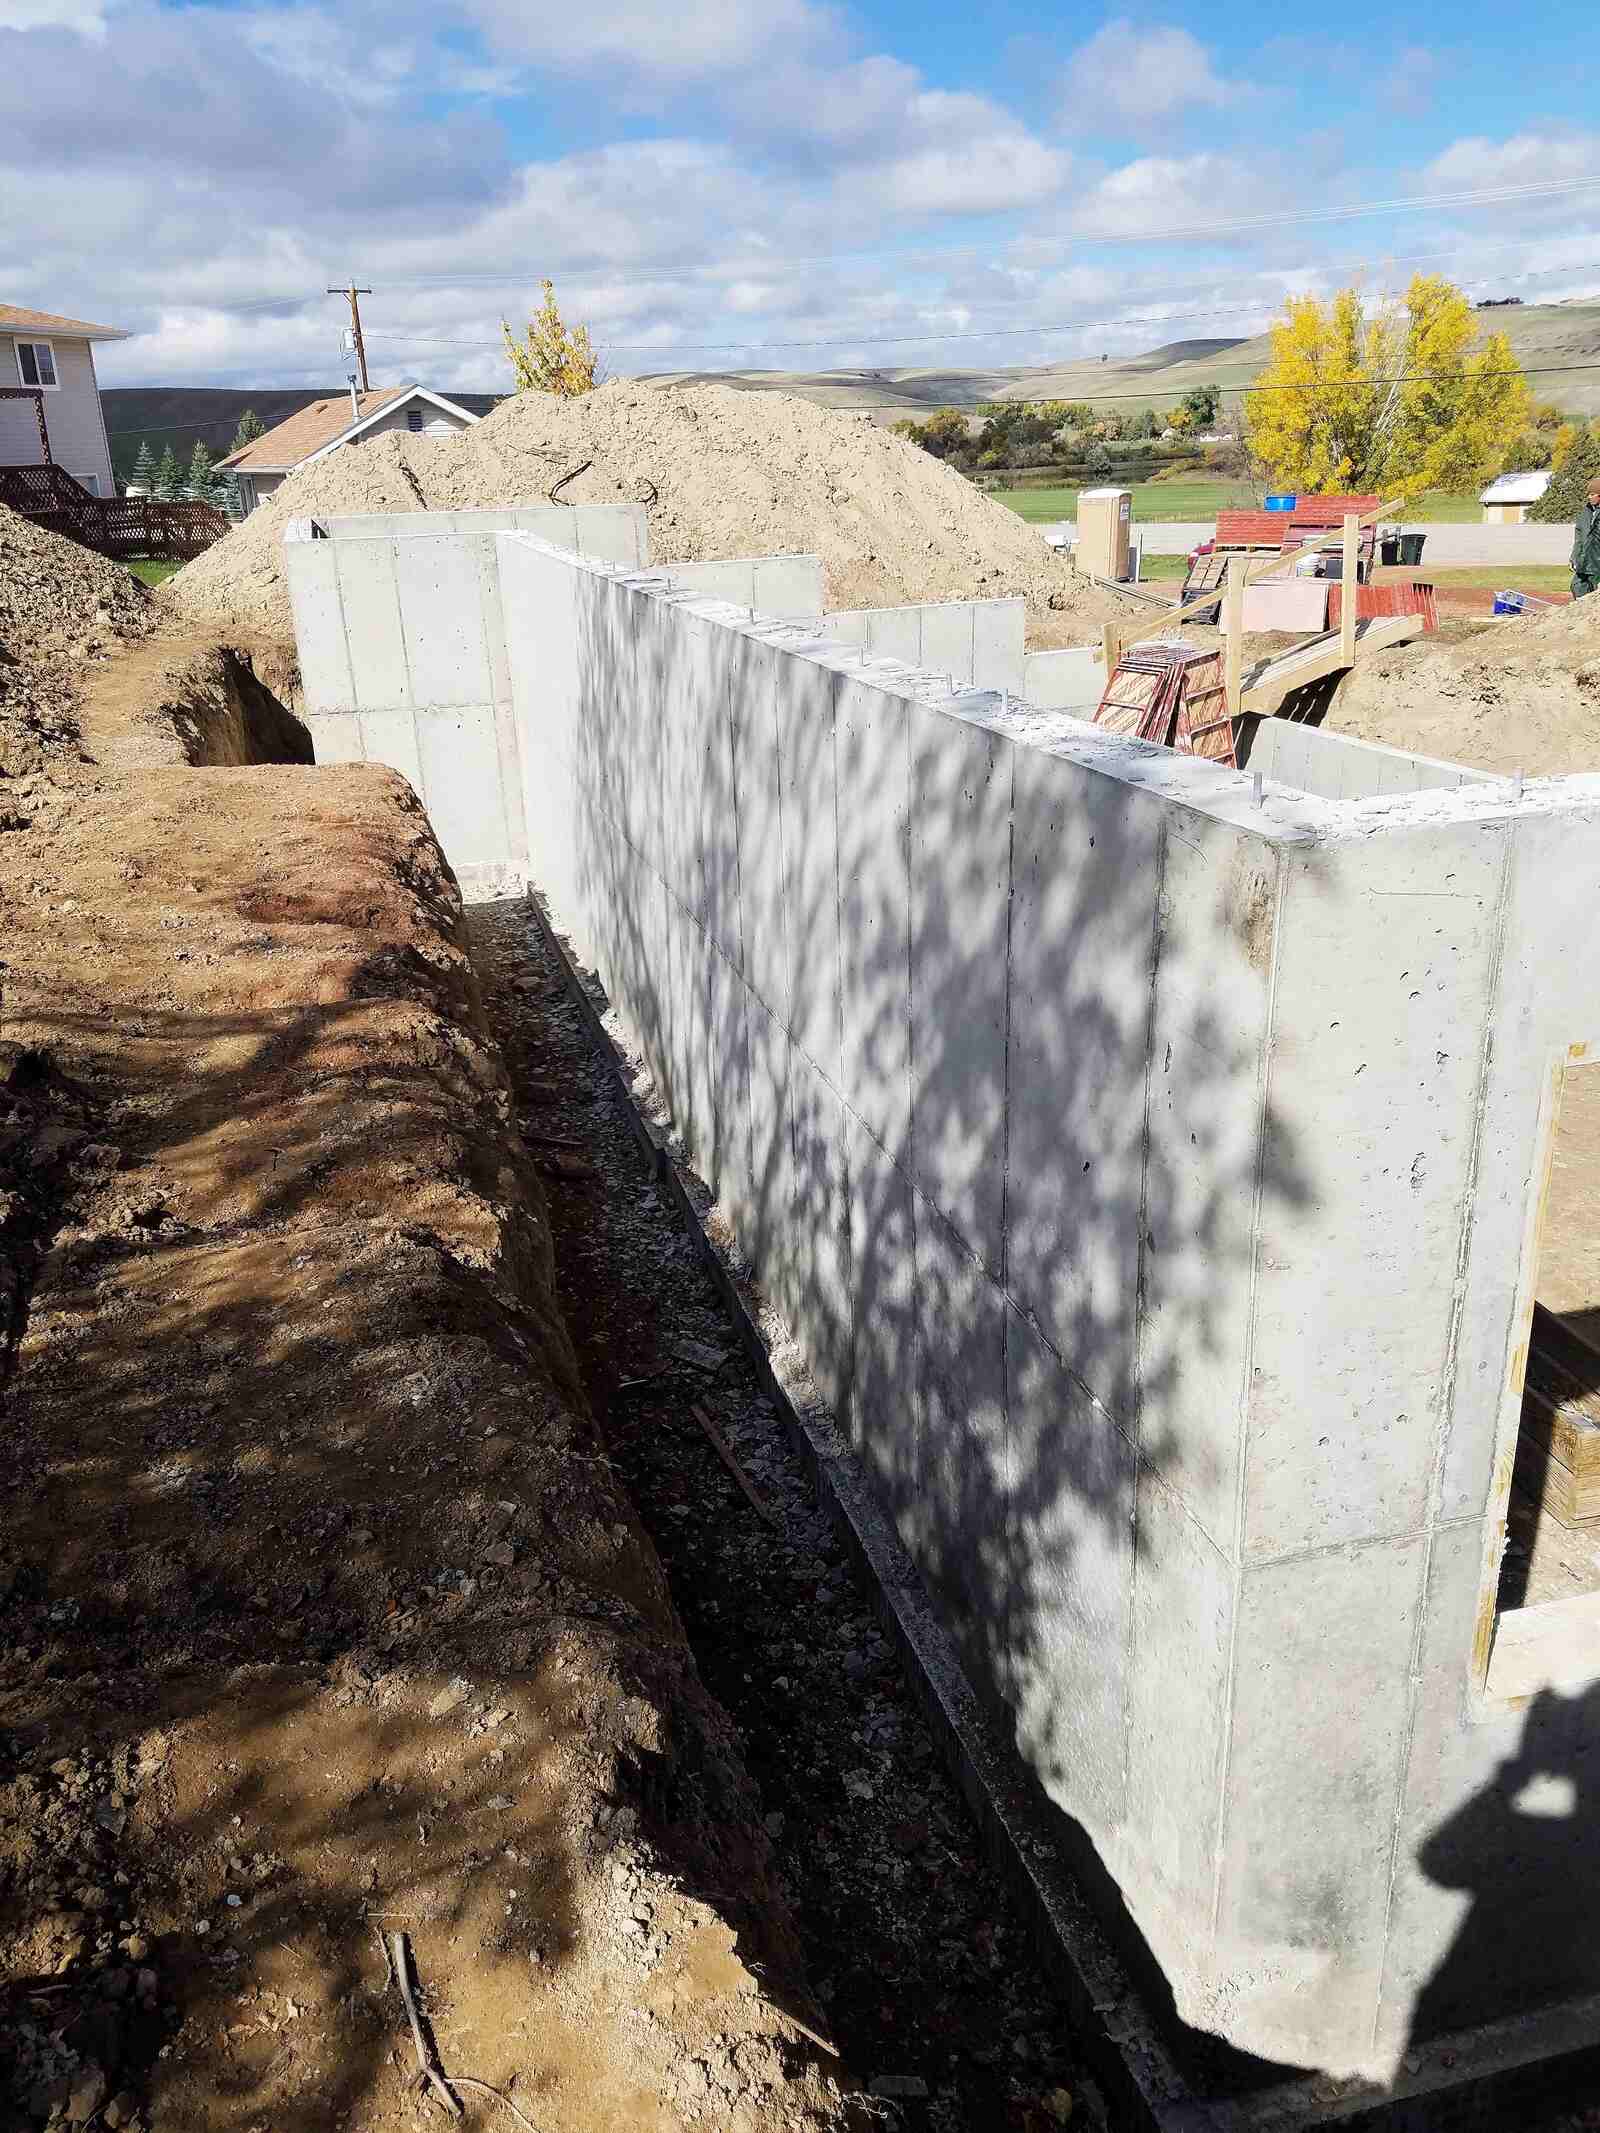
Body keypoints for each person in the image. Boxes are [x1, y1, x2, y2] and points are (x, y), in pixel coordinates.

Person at [1571, 476, 1600, 599]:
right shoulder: (1585, 513)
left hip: (1597, 563)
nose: (1589, 497)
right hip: (1584, 562)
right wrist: (1574, 556)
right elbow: (1579, 539)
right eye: (1588, 494)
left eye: (1592, 494)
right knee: (1577, 586)